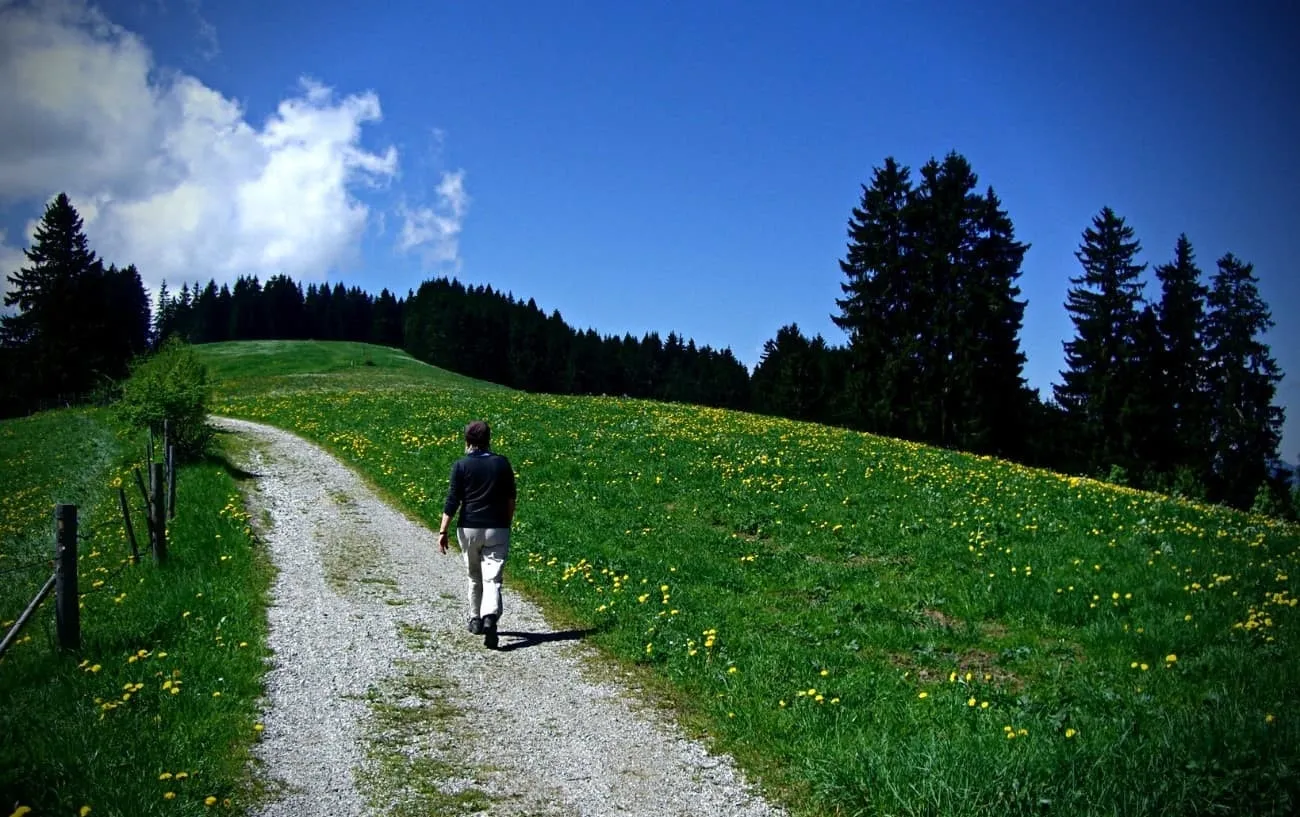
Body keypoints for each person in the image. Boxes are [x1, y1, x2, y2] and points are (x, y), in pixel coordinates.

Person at [438, 420, 517, 649]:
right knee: (492, 578)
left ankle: (475, 619)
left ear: (467, 441)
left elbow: (453, 500)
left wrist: (443, 530)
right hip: (497, 527)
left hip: (469, 527)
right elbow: (511, 497)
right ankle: (490, 616)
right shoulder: (502, 463)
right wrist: (506, 523)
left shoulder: (461, 465)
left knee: (474, 575)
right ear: (488, 440)